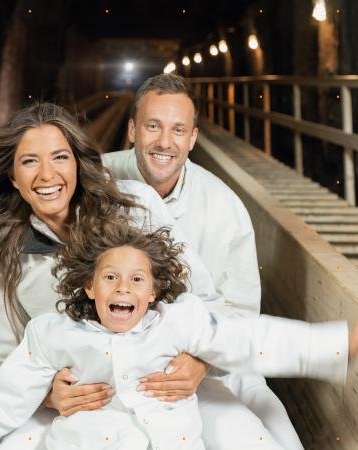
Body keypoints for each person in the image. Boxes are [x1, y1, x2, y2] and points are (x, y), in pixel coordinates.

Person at [0, 102, 269, 448]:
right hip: (80, 403)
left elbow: (203, 299)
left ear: (77, 163)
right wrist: (48, 394)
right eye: (30, 161)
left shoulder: (136, 205)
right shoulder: (9, 252)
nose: (47, 175)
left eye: (60, 157)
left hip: (167, 385)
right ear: (13, 177)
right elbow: (3, 362)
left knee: (249, 437)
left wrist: (200, 363)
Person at [0, 222, 358, 449]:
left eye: (138, 280)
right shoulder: (53, 333)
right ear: (88, 286)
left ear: (156, 289)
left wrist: (335, 345)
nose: (123, 287)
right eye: (111, 278)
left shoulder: (179, 322)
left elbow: (249, 340)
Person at [102, 73, 303, 448]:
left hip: (210, 361)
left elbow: (241, 313)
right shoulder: (95, 182)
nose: (165, 142)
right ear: (131, 129)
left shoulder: (225, 208)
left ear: (193, 139)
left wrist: (203, 362)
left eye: (179, 130)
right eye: (152, 126)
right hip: (121, 361)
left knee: (274, 429)